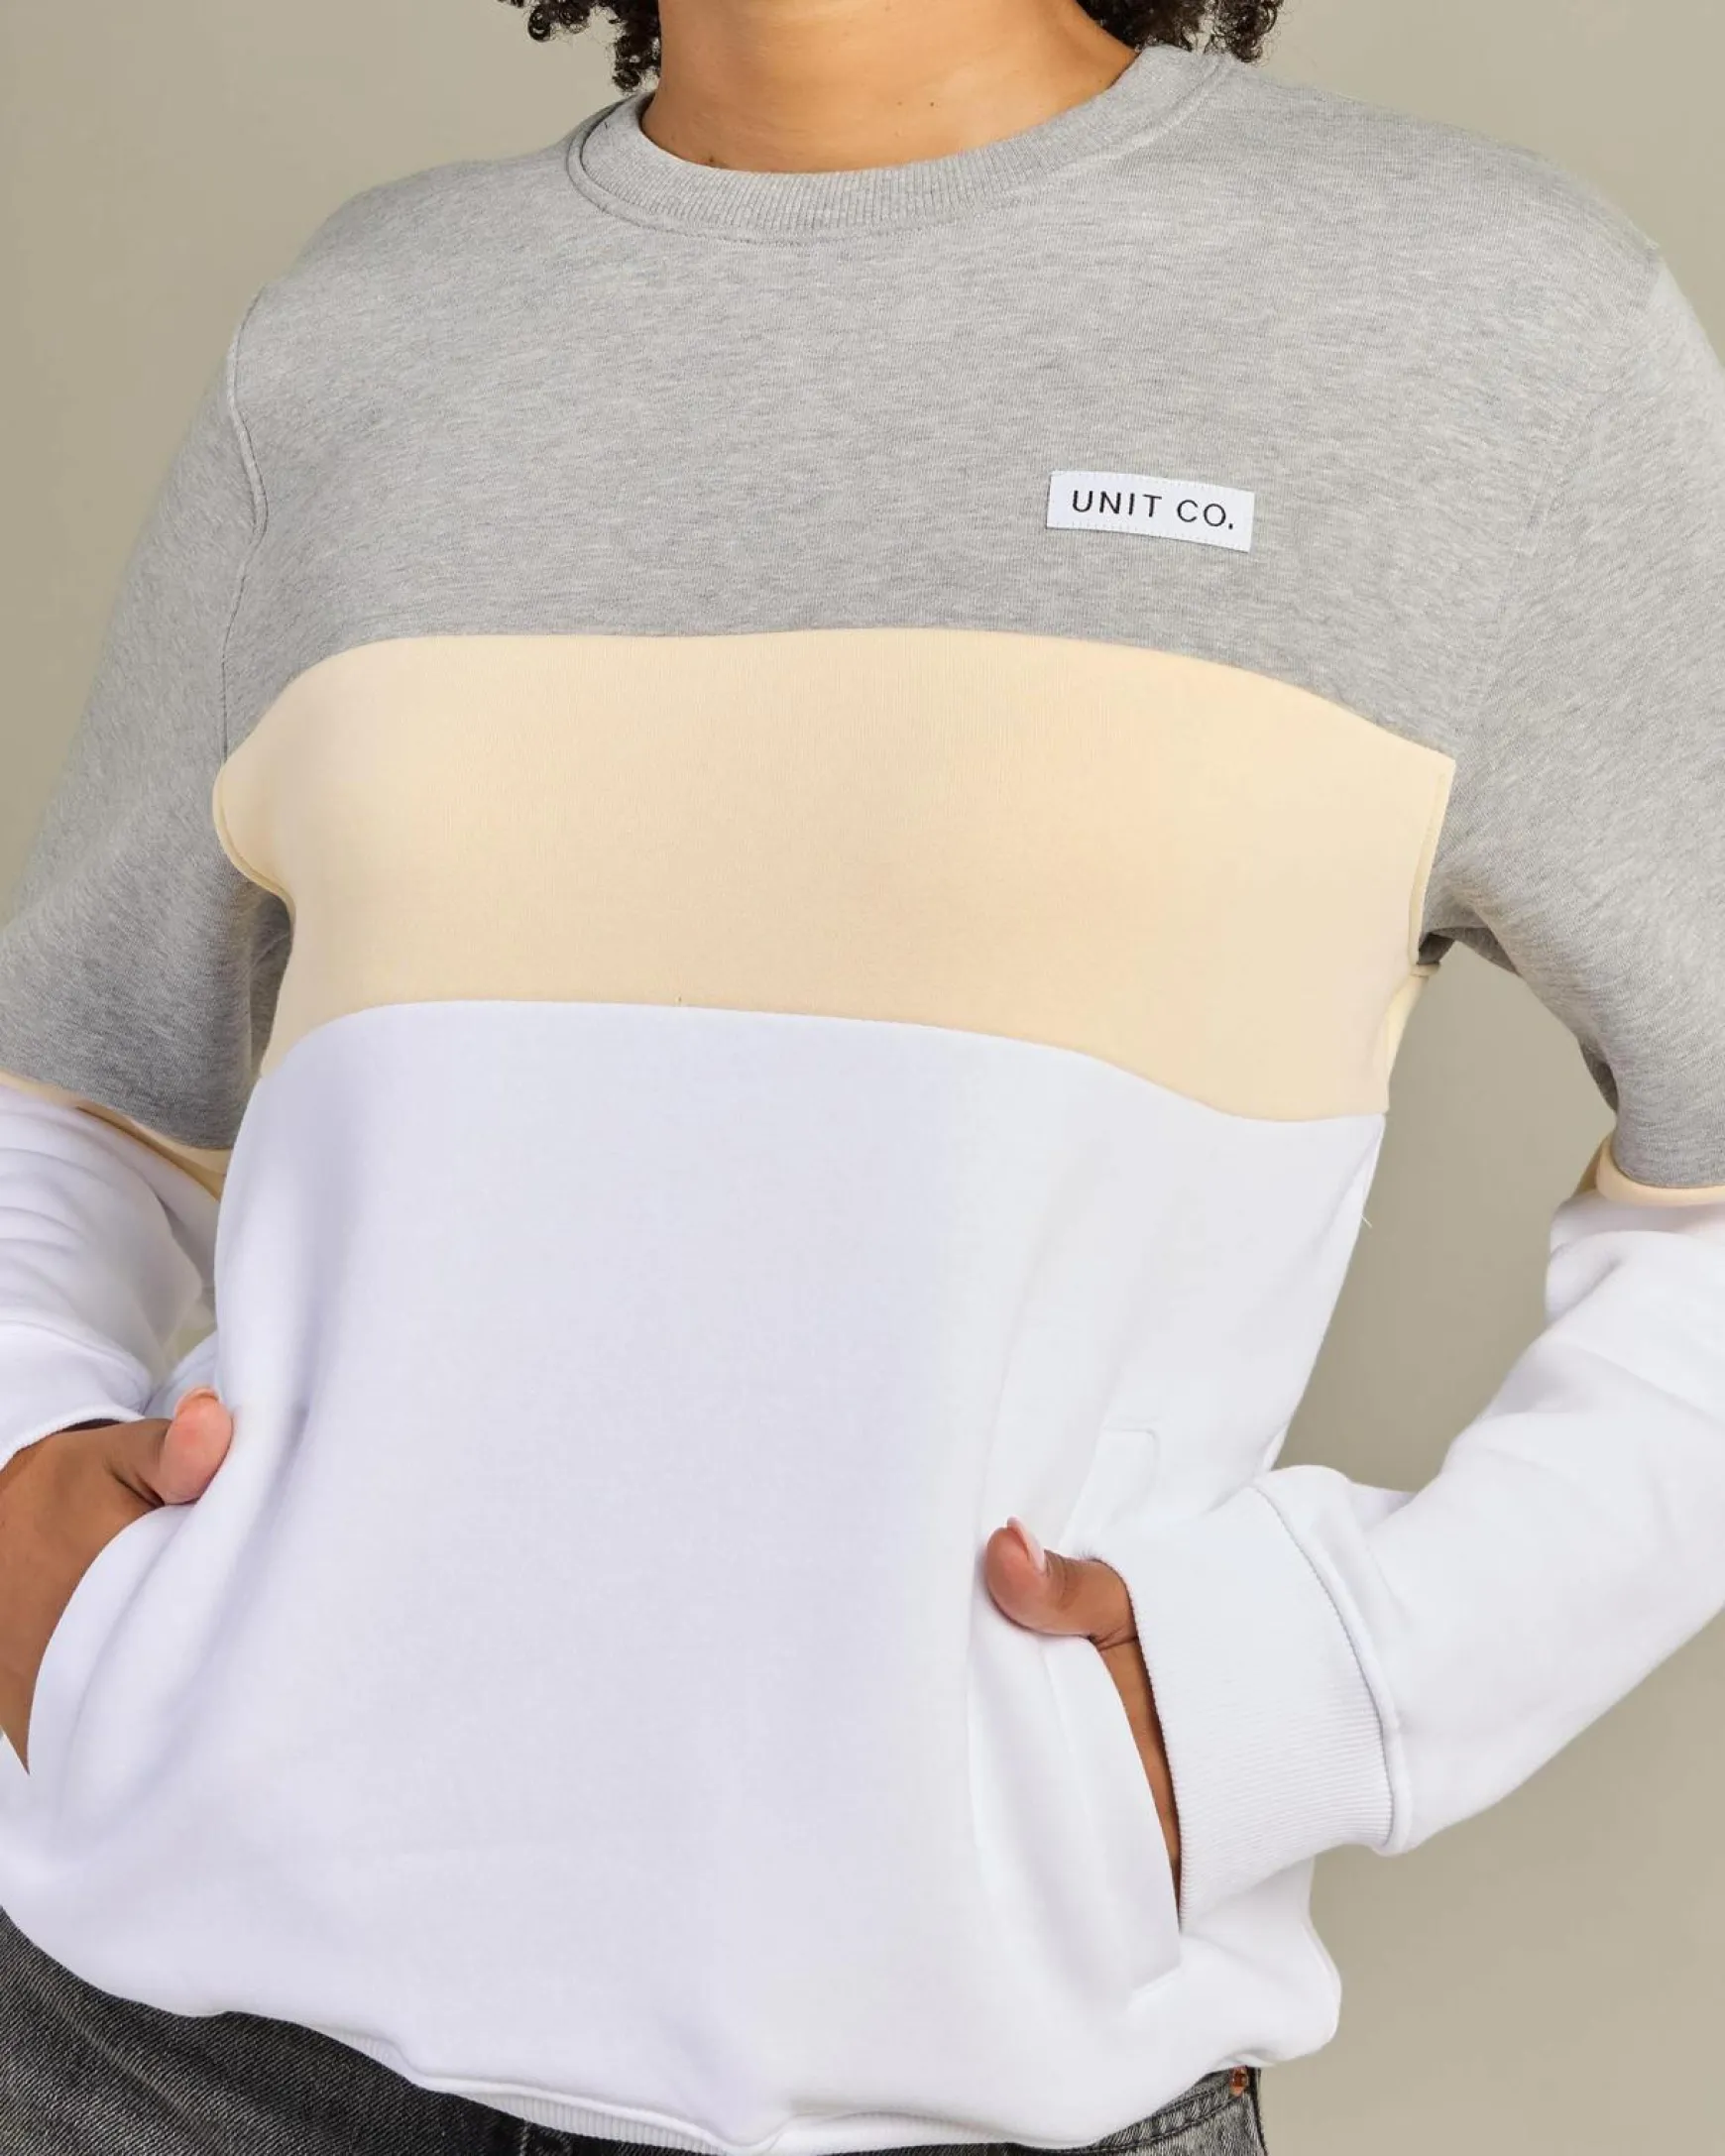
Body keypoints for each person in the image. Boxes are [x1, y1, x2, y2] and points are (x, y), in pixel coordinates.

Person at [0, 0, 1721, 2149]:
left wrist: (1331, 1680)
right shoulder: (362, 333)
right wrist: (23, 1475)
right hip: (167, 2049)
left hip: (954, 2081)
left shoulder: (1486, 336)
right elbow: (77, 1086)